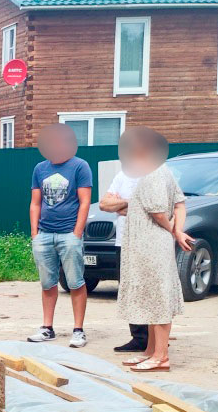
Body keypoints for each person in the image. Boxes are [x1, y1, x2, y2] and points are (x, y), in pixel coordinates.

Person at [114, 126, 192, 372]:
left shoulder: (154, 173)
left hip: (151, 245)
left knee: (158, 299)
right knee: (150, 297)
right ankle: (150, 351)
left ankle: (161, 357)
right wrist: (177, 229)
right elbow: (179, 204)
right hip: (146, 245)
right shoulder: (160, 171)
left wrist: (174, 231)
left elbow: (158, 211)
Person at [27, 123, 92, 347]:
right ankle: (47, 328)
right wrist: (35, 233)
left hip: (68, 234)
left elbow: (85, 202)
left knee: (75, 282)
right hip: (44, 234)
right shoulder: (40, 169)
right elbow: (35, 203)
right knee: (47, 283)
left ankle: (78, 330)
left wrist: (77, 233)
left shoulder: (80, 166)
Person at [97, 166, 149, 353]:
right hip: (123, 242)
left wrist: (120, 204)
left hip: (147, 241)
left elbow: (152, 207)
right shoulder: (122, 176)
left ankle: (155, 338)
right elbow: (104, 204)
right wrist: (128, 202)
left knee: (148, 290)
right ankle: (139, 337)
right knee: (129, 290)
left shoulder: (153, 176)